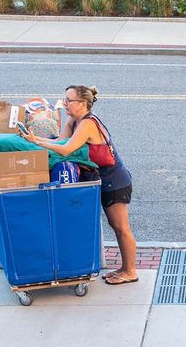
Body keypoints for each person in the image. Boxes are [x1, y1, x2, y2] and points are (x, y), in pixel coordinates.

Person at [20, 85, 139, 286]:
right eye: (65, 99)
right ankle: (124, 268)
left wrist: (39, 143)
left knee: (121, 228)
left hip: (115, 181)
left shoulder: (87, 124)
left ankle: (130, 271)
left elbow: (66, 150)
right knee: (116, 226)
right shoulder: (74, 120)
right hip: (102, 179)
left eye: (69, 100)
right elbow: (60, 141)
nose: (64, 103)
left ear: (83, 104)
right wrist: (32, 139)